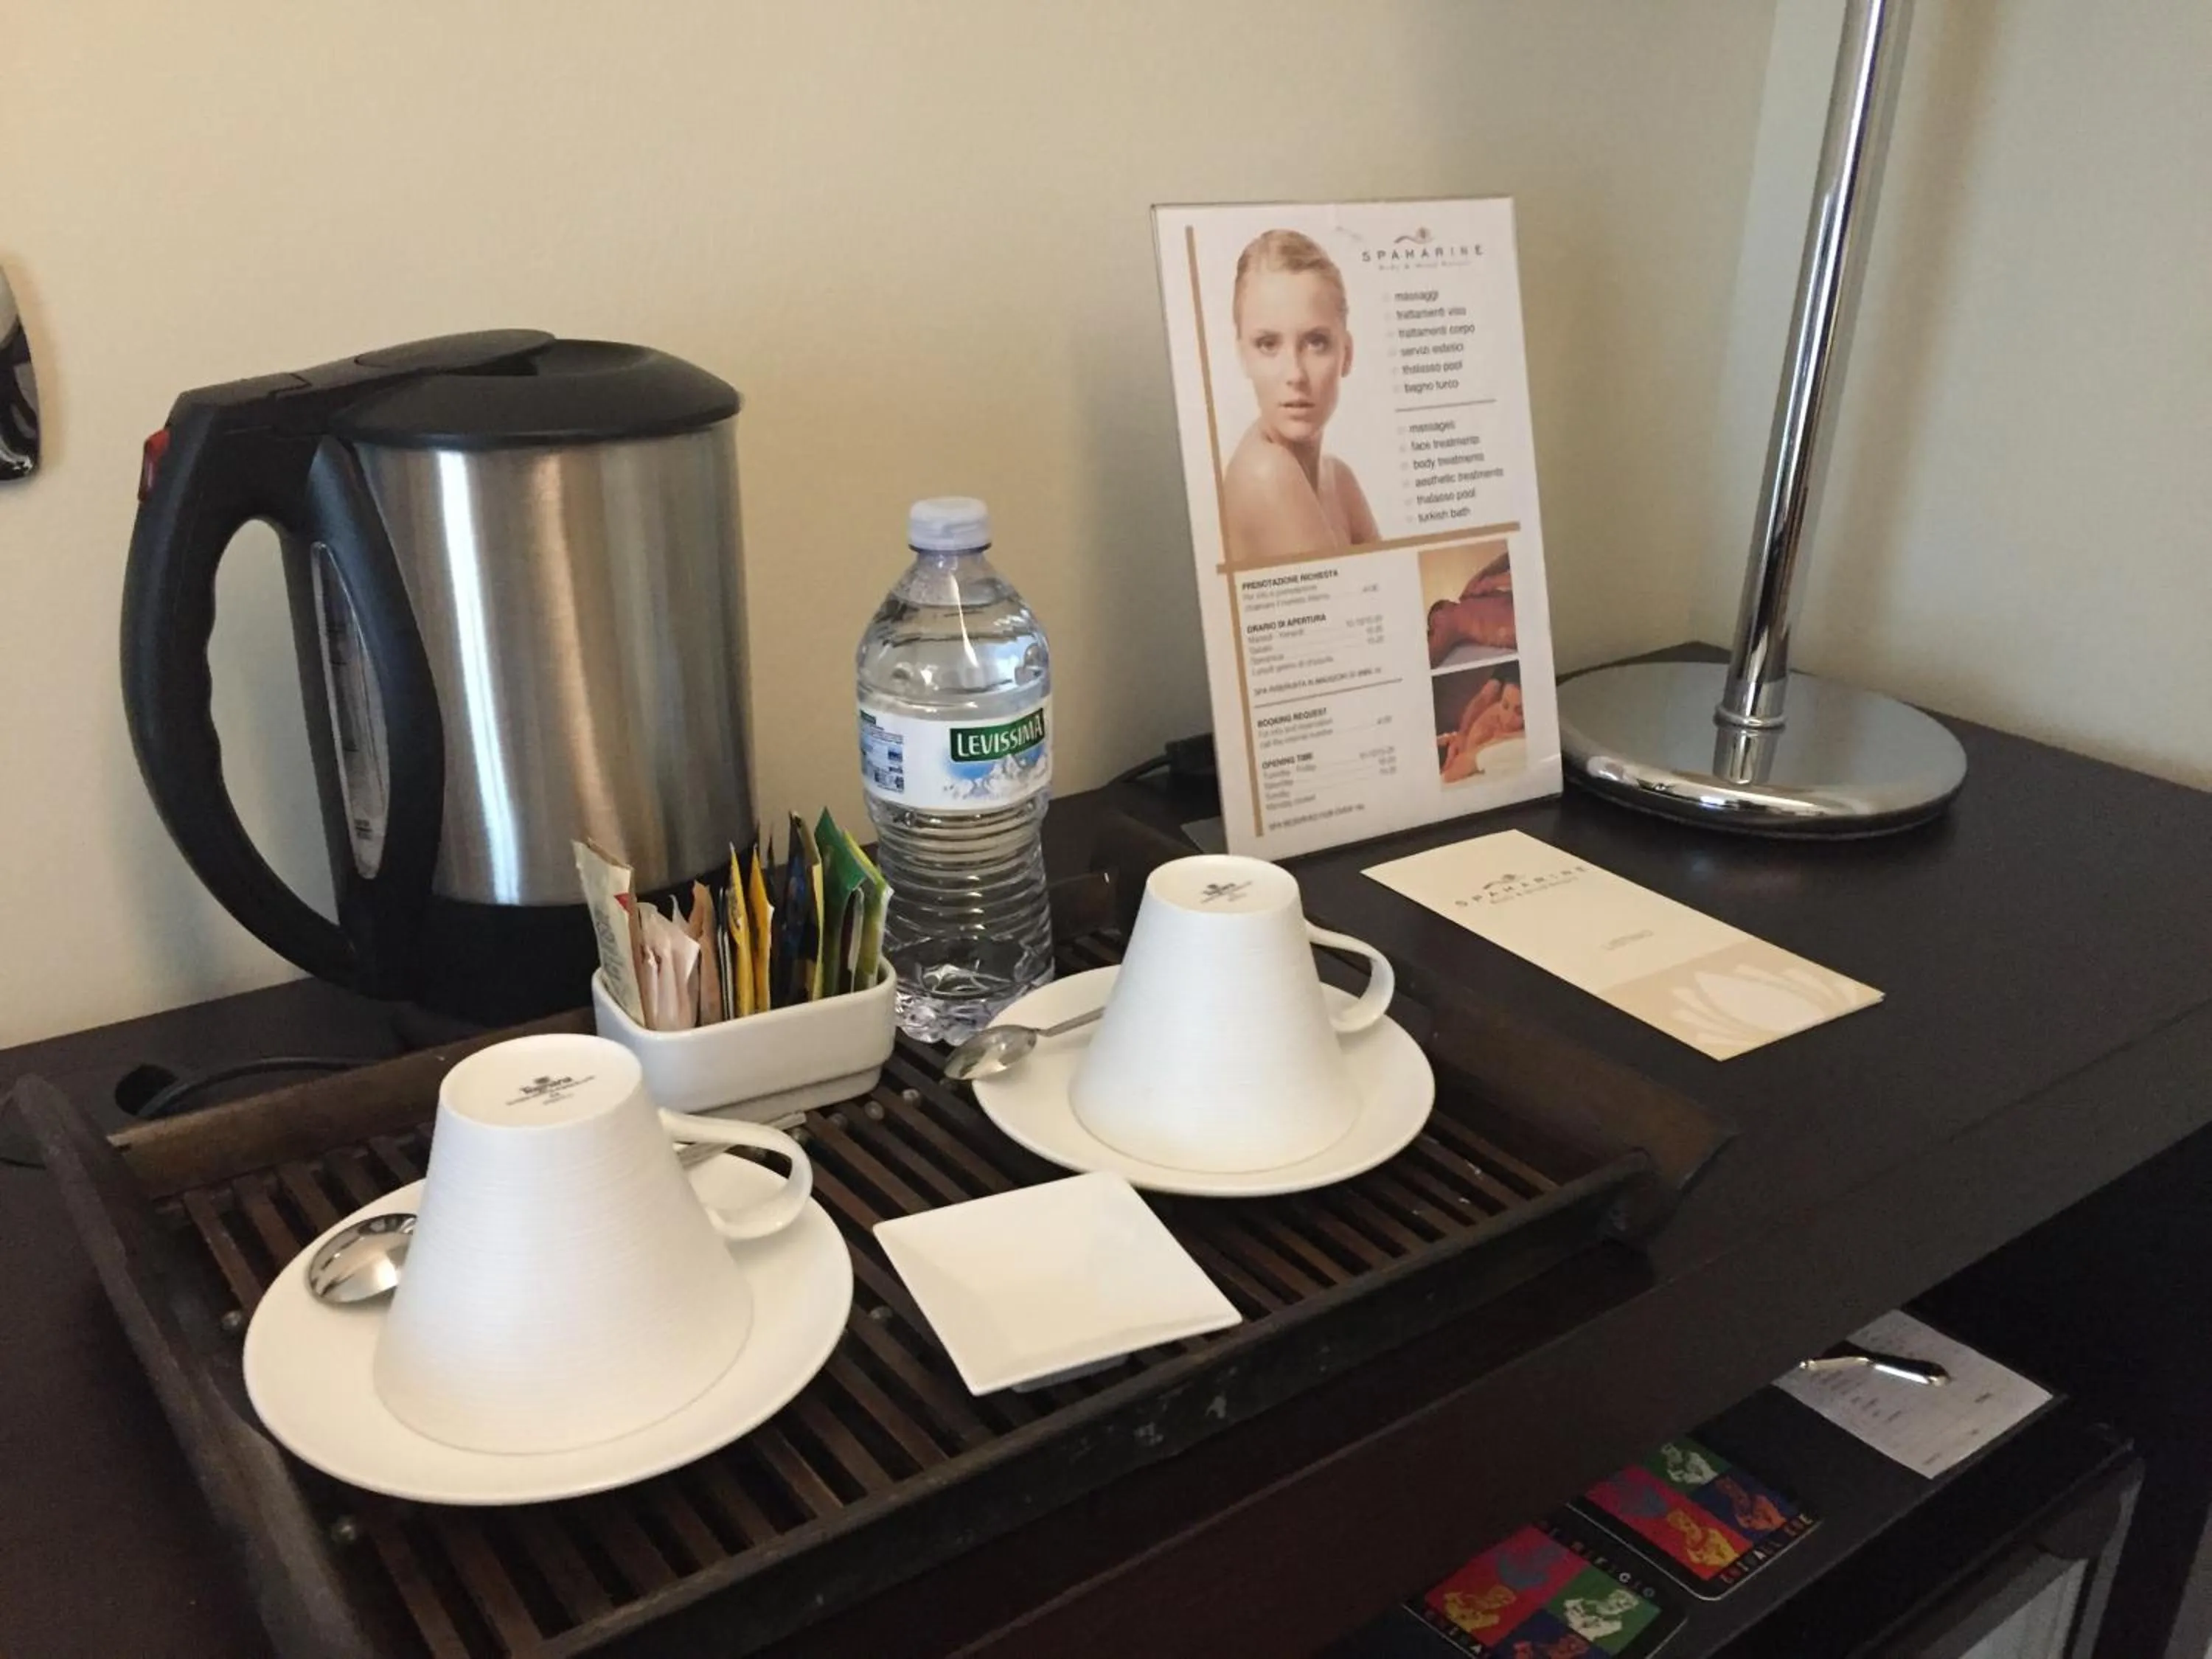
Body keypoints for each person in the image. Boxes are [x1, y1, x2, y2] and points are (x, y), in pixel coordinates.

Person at [1221, 230, 1379, 564]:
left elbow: (1395, 600)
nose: (1294, 373)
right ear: (1243, 356)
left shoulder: (1339, 478)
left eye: (1316, 342)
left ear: (1347, 354)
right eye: (1268, 344)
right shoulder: (1266, 473)